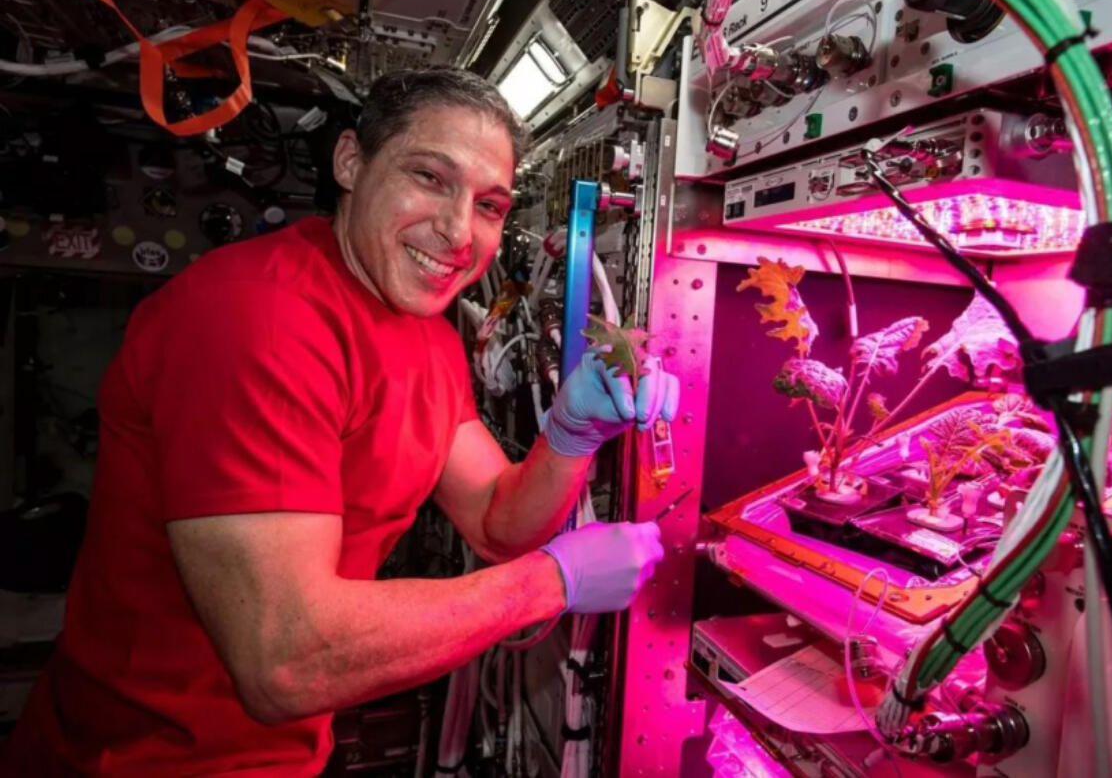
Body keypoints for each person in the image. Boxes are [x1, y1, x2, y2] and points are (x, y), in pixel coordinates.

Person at [3, 68, 678, 776]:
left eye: (489, 205)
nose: (456, 231)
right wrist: (552, 583)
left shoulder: (425, 333)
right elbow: (284, 659)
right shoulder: (256, 318)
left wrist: (571, 435)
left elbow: (494, 518)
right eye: (430, 177)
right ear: (351, 162)